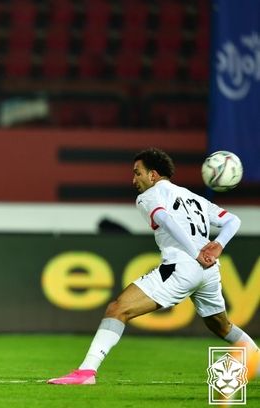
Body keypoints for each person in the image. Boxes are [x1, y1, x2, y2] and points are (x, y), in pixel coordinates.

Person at [48, 148, 258, 385]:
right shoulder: (193, 197)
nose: (133, 180)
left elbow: (165, 220)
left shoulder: (149, 196)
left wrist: (195, 253)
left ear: (153, 175)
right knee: (220, 325)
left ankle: (86, 372)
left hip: (182, 267)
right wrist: (218, 245)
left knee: (118, 309)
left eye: (137, 173)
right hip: (209, 272)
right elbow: (233, 220)